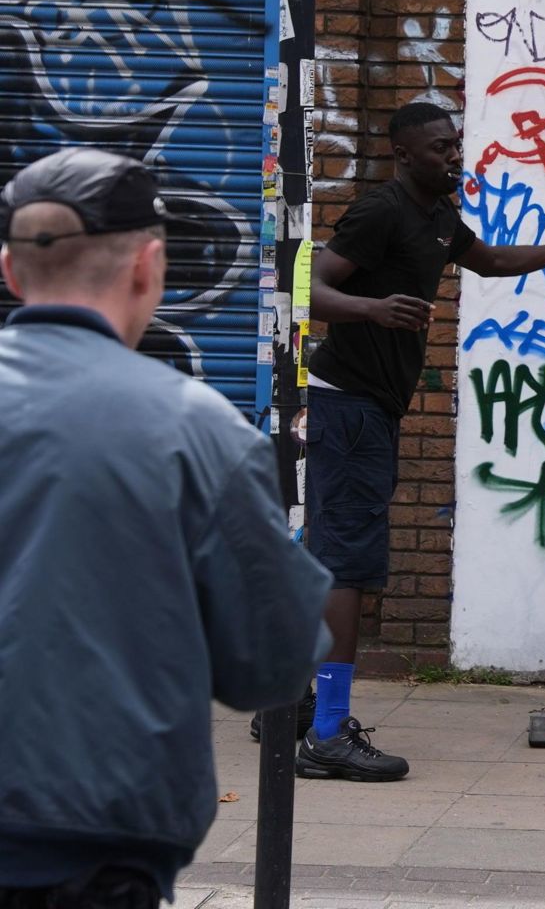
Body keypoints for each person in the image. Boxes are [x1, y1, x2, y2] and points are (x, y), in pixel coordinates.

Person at [0, 149, 333, 905]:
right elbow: (271, 665)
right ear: (147, 268)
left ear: (12, 271)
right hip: (91, 844)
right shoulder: (195, 432)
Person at [296, 101, 545, 782]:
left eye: (455, 143)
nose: (453, 154)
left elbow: (490, 259)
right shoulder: (380, 211)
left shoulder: (436, 215)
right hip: (345, 407)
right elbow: (306, 290)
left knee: (334, 559)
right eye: (439, 147)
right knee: (346, 565)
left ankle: (294, 703)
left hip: (371, 408)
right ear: (404, 154)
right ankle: (324, 734)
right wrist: (372, 309)